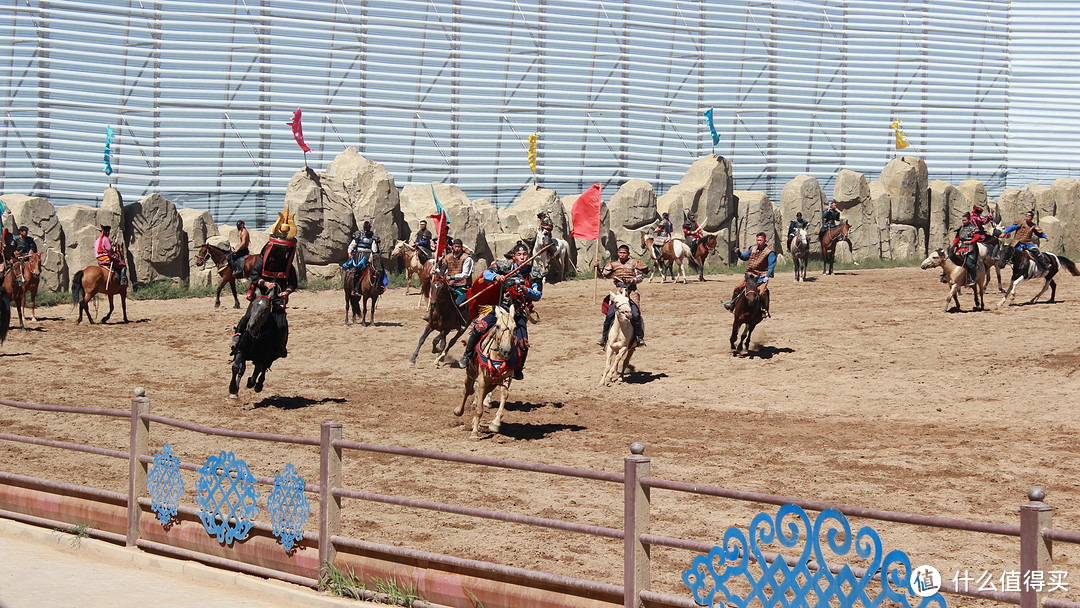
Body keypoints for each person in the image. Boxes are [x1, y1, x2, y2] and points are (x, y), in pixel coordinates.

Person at [457, 241, 542, 380]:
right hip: (501, 309)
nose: (522, 257)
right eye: (519, 254)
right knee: (479, 328)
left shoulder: (533, 272)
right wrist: (496, 277)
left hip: (518, 312)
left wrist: (528, 291)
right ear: (514, 257)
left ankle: (518, 369)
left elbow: (538, 295)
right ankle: (467, 355)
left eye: (525, 254)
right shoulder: (504, 266)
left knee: (523, 344)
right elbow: (486, 274)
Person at [232, 217, 298, 358]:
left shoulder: (288, 266)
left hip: (277, 298)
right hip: (261, 294)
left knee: (281, 324)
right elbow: (254, 277)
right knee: (249, 316)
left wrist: (286, 292)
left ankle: (280, 346)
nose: (281, 254)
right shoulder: (262, 261)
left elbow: (293, 283)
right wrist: (265, 284)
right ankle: (237, 338)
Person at [594, 244, 647, 348]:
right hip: (618, 293)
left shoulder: (634, 263)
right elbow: (603, 275)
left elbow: (640, 277)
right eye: (620, 253)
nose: (622, 255)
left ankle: (639, 338)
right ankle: (604, 339)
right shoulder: (613, 264)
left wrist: (631, 280)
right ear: (618, 253)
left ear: (628, 254)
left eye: (624, 253)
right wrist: (596, 268)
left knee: (635, 315)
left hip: (631, 292)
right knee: (609, 315)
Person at [723, 232, 776, 318]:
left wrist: (767, 276)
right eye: (757, 240)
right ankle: (732, 305)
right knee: (738, 287)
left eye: (760, 240)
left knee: (762, 292)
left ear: (765, 240)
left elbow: (771, 266)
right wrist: (738, 253)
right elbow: (744, 257)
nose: (758, 242)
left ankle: (764, 310)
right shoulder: (752, 248)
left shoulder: (770, 252)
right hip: (750, 275)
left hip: (761, 276)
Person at [343, 221, 385, 295]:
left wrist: (371, 257)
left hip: (370, 255)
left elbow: (374, 248)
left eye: (368, 227)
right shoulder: (359, 235)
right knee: (357, 271)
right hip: (359, 256)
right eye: (366, 227)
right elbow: (353, 244)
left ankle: (379, 287)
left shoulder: (373, 236)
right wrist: (349, 252)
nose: (367, 229)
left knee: (379, 270)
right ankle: (355, 288)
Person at [436, 238, 474, 315]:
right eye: (455, 246)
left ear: (461, 247)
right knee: (436, 300)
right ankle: (432, 318)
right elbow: (442, 270)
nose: (457, 248)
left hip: (462, 286)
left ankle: (463, 319)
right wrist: (436, 271)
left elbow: (465, 274)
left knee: (459, 304)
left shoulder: (467, 258)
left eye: (459, 247)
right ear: (452, 246)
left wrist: (452, 277)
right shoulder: (447, 257)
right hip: (450, 285)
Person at [951, 212, 984, 286]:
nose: (963, 222)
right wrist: (953, 244)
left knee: (970, 263)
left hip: (971, 247)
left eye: (965, 220)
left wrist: (970, 242)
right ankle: (947, 276)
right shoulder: (961, 228)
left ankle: (972, 278)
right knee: (953, 259)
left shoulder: (973, 228)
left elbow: (977, 237)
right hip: (961, 247)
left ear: (969, 220)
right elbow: (957, 238)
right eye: (962, 220)